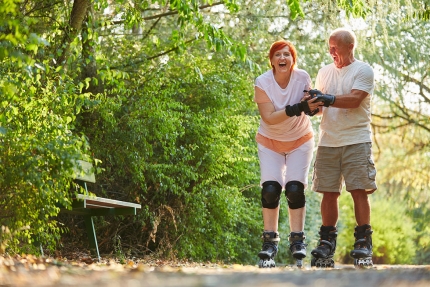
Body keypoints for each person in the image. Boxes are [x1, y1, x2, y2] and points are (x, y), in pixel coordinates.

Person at [308, 28, 377, 268]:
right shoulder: (324, 72)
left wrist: (327, 98)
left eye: (335, 47)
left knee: (359, 189)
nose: (331, 52)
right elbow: (320, 108)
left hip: (356, 139)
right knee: (328, 191)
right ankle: (326, 242)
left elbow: (355, 99)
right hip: (328, 140)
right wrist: (312, 105)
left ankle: (363, 241)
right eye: (329, 47)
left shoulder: (363, 70)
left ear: (350, 47)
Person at [253, 40, 321, 268]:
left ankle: (297, 239)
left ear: (293, 59)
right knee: (271, 190)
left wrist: (312, 107)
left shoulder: (302, 77)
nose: (283, 58)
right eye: (278, 55)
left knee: (294, 188)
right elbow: (269, 117)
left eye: (287, 55)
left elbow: (307, 105)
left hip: (300, 141)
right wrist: (297, 109)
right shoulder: (262, 82)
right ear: (271, 60)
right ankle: (269, 242)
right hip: (270, 142)